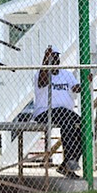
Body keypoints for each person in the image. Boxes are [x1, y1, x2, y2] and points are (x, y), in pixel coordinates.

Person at [32, 46, 82, 179]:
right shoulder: (41, 74)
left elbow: (75, 88)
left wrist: (83, 84)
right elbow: (43, 82)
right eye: (51, 58)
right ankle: (69, 160)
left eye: (56, 57)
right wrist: (45, 62)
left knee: (84, 126)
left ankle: (68, 163)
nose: (55, 60)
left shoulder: (67, 74)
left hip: (65, 115)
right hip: (44, 113)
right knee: (65, 116)